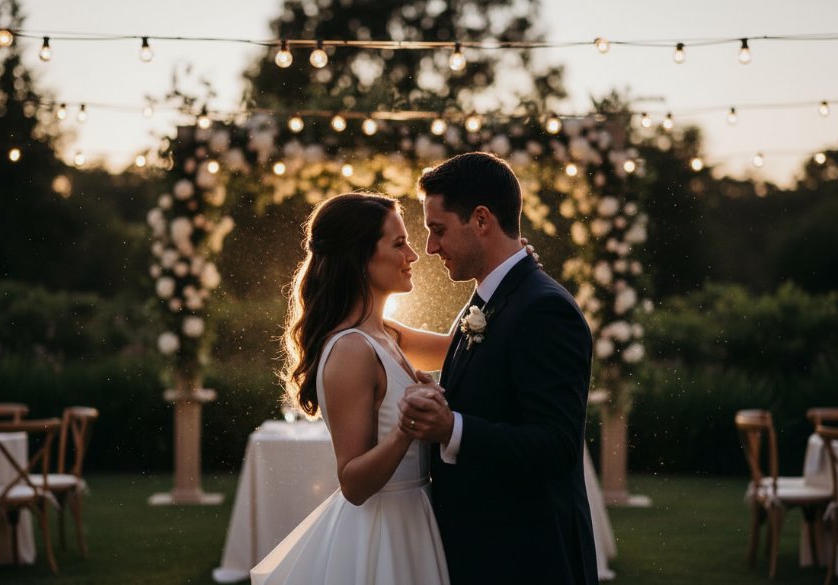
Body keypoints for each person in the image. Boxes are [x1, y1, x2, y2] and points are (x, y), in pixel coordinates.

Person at [398, 152, 599, 585]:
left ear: (482, 220)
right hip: (485, 550)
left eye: (438, 230)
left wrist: (451, 428)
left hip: (526, 558)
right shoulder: (485, 301)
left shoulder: (544, 309)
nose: (431, 247)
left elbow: (555, 446)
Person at [250, 192, 451, 585]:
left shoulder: (387, 333)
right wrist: (407, 428)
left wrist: (506, 278)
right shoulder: (351, 350)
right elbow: (354, 482)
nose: (412, 255)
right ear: (360, 258)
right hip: (382, 531)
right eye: (398, 244)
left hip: (415, 515)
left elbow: (463, 347)